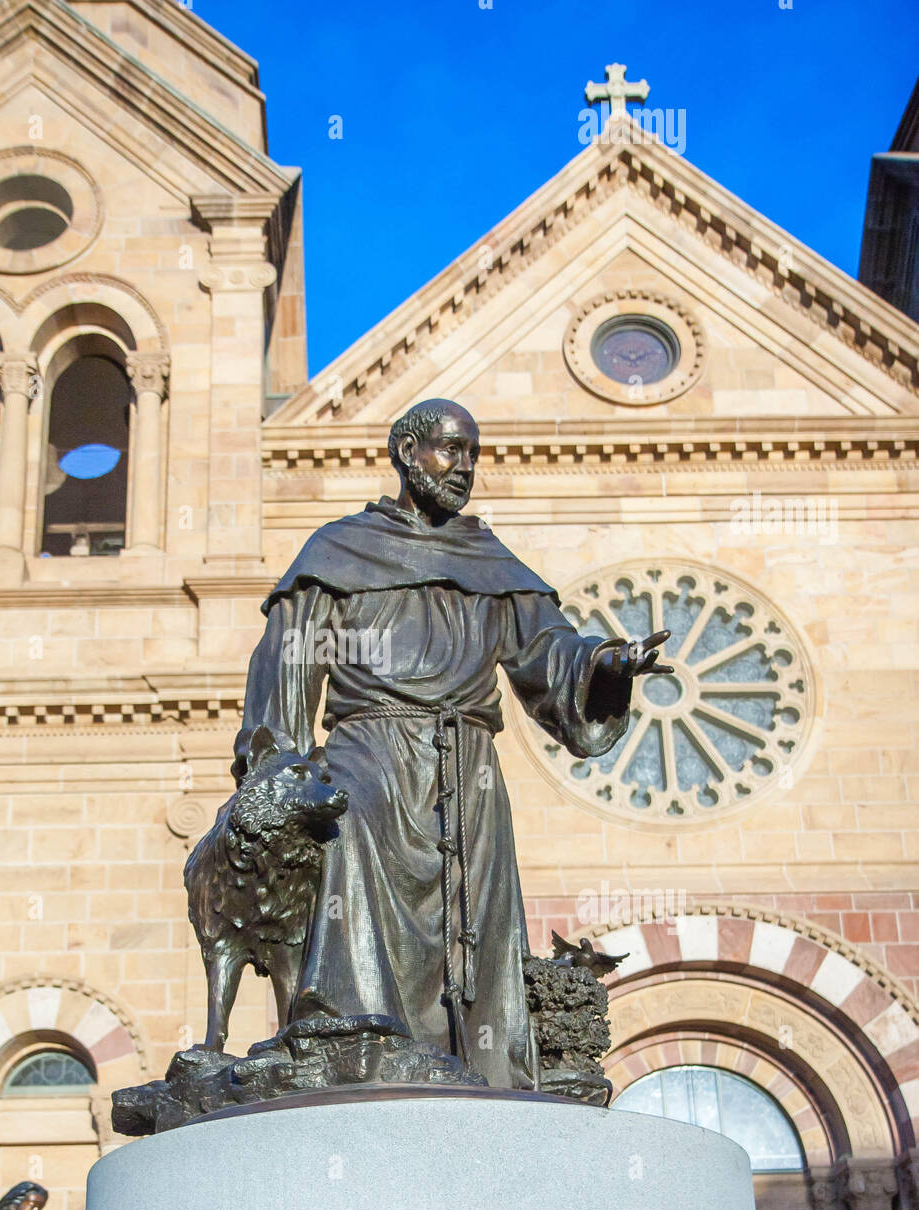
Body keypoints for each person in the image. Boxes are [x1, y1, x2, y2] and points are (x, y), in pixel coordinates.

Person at [234, 398, 671, 1090]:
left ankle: (482, 1072)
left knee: (478, 924)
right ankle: (353, 1043)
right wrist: (279, 769)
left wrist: (606, 666)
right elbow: (289, 661)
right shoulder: (338, 550)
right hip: (369, 753)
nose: (464, 465)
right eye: (449, 449)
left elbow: (550, 654)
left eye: (472, 452)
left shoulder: (487, 560)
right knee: (348, 851)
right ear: (408, 454)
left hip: (468, 770)